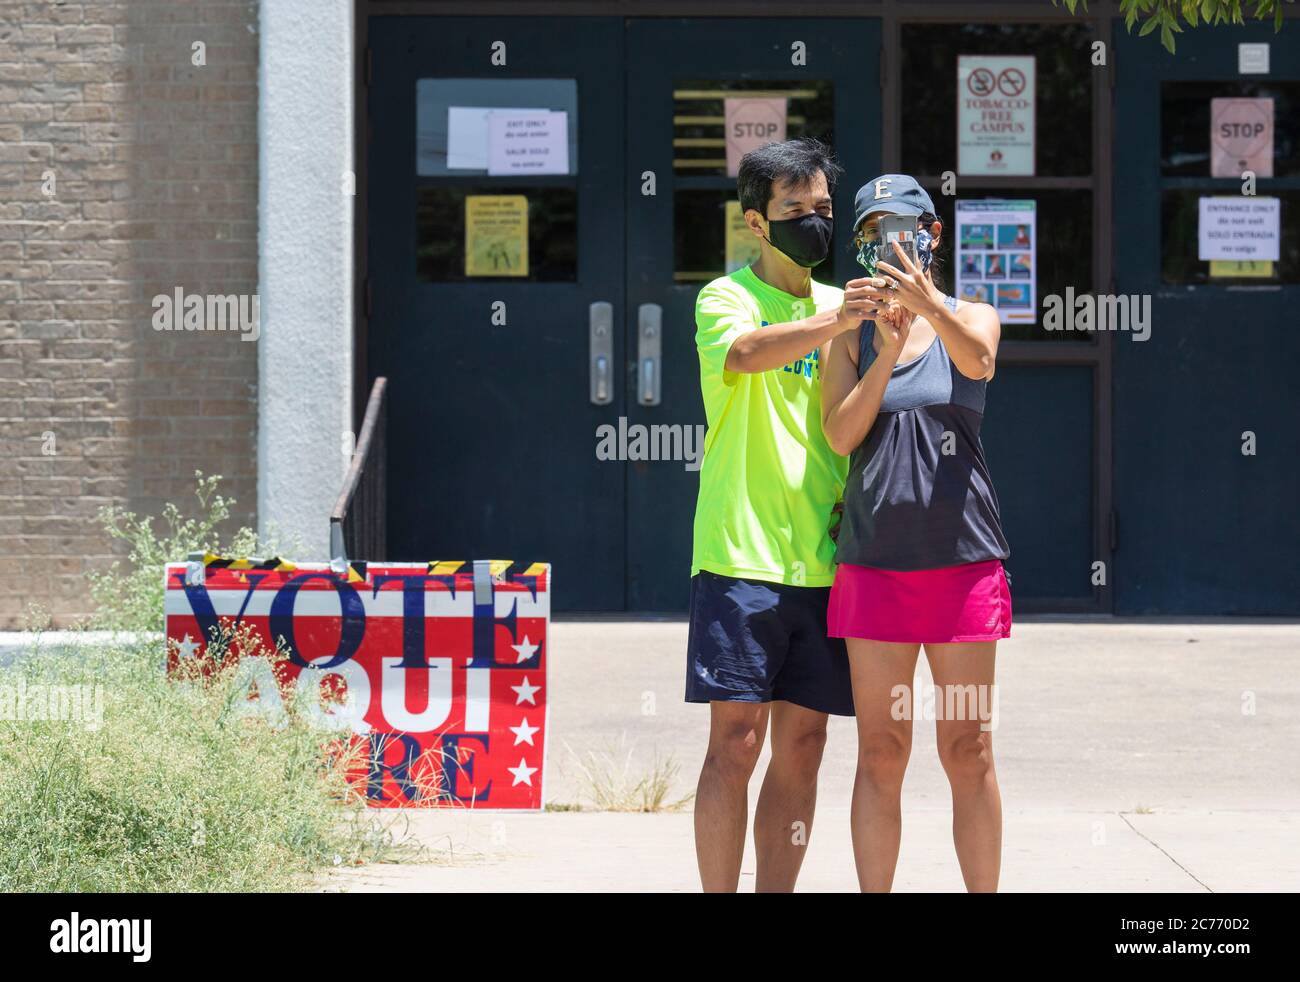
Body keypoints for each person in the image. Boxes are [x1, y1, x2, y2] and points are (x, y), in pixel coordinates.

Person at [686, 138, 880, 892]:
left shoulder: (846, 306)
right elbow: (745, 354)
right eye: (795, 209)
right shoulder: (725, 296)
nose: (814, 221)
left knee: (803, 747)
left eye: (824, 208)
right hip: (740, 557)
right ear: (757, 224)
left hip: (830, 561)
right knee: (735, 741)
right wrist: (837, 326)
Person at [820, 174, 1011, 892]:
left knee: (968, 749)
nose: (887, 242)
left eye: (903, 227)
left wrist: (926, 304)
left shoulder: (973, 314)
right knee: (881, 752)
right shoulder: (852, 329)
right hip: (875, 568)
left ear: (932, 235)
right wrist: (880, 348)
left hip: (962, 569)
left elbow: (979, 362)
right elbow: (841, 435)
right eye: (873, 231)